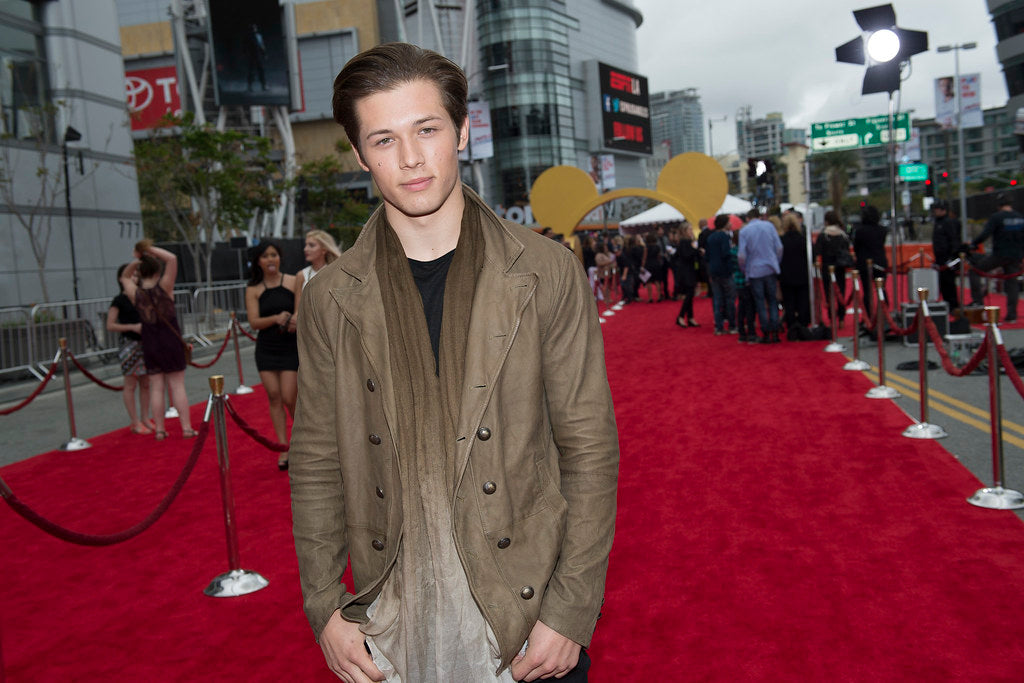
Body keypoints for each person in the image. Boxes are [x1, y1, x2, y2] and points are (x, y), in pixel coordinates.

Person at [289, 42, 618, 683]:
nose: (410, 159)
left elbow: (589, 448)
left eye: (427, 130)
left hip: (526, 615)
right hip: (390, 623)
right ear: (359, 155)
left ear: (463, 131)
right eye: (383, 140)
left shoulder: (545, 272)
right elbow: (317, 459)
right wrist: (325, 604)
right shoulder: (330, 296)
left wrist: (570, 611)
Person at [119, 240, 196, 441]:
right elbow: (172, 258)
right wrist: (147, 251)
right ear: (157, 271)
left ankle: (160, 429)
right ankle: (186, 427)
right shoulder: (165, 286)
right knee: (177, 384)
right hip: (170, 339)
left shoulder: (135, 292)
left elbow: (124, 276)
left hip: (150, 341)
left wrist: (138, 259)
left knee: (156, 386)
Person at [245, 240, 299, 470]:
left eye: (274, 255)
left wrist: (295, 318)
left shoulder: (294, 280)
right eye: (265, 256)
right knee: (274, 397)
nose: (270, 259)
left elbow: (299, 309)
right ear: (259, 261)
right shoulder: (253, 289)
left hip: (290, 347)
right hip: (266, 348)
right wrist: (276, 318)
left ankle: (302, 442)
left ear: (280, 258)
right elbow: (254, 322)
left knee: (289, 396)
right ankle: (283, 448)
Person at [107, 263, 153, 435]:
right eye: (131, 275)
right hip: (129, 345)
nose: (135, 278)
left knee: (146, 383)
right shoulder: (119, 300)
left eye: (136, 275)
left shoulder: (143, 297)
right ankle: (134, 421)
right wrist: (132, 327)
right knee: (131, 384)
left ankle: (145, 418)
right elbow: (110, 325)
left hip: (146, 343)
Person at [969, 193, 1024, 322]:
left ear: (999, 205)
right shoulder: (1020, 218)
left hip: (999, 254)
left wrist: (973, 244)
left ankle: (978, 303)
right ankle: (1012, 315)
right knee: (1012, 283)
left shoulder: (997, 217)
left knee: (975, 271)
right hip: (1015, 256)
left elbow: (985, 234)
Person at [738, 208, 784, 343]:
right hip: (770, 268)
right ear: (760, 216)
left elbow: (741, 255)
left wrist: (744, 270)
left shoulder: (744, 231)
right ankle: (775, 330)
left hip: (754, 270)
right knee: (772, 300)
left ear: (747, 218)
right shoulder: (769, 226)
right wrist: (776, 262)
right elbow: (779, 248)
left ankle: (765, 331)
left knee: (760, 302)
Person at [814, 211, 852, 328]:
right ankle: (841, 317)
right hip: (840, 267)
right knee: (840, 292)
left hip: (827, 267)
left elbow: (817, 252)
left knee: (828, 293)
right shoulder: (842, 234)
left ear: (826, 221)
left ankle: (832, 317)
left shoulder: (823, 235)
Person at [852, 204, 889, 320]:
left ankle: (868, 316)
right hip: (880, 261)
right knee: (881, 289)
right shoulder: (882, 230)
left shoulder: (860, 231)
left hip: (864, 262)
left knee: (867, 292)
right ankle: (885, 313)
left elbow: (856, 247)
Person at [779, 213, 810, 334]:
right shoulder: (803, 240)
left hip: (786, 275)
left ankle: (791, 326)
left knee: (789, 302)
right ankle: (802, 324)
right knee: (803, 300)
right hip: (802, 274)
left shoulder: (782, 240)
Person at [706, 214, 737, 334]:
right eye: (729, 222)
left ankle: (719, 327)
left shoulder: (711, 237)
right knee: (730, 299)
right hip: (725, 271)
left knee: (718, 299)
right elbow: (726, 254)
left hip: (714, 271)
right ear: (725, 224)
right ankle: (732, 325)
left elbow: (707, 256)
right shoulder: (724, 237)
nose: (731, 224)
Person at [931, 200, 962, 311]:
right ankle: (947, 304)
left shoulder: (948, 223)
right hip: (940, 258)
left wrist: (952, 257)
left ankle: (953, 306)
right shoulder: (938, 222)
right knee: (943, 283)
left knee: (949, 283)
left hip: (947, 258)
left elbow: (954, 240)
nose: (935, 211)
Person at [672, 223, 700, 328]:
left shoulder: (685, 242)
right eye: (689, 230)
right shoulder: (685, 242)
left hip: (686, 271)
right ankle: (681, 316)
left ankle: (690, 317)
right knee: (690, 294)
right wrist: (696, 250)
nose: (691, 231)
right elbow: (686, 256)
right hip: (687, 272)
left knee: (690, 294)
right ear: (684, 231)